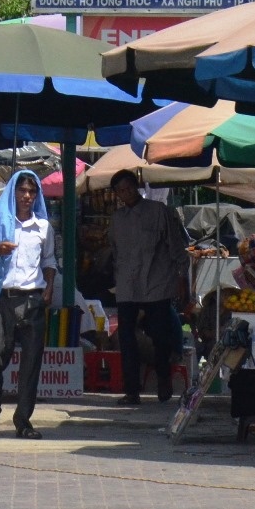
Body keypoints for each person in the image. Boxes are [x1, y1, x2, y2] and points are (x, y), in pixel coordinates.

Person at [0, 170, 55, 439]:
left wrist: (49, 287)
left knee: (31, 364)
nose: (27, 196)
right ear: (13, 193)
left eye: (32, 192)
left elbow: (49, 261)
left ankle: (23, 421)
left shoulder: (43, 227)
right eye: (22, 191)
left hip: (32, 299)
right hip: (2, 299)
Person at [107, 169, 188, 406]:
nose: (126, 193)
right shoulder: (117, 219)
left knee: (160, 335)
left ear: (137, 187)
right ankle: (132, 390)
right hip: (127, 285)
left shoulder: (158, 211)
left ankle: (163, 377)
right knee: (126, 337)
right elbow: (115, 251)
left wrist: (182, 279)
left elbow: (176, 247)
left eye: (128, 188)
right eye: (120, 191)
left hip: (156, 282)